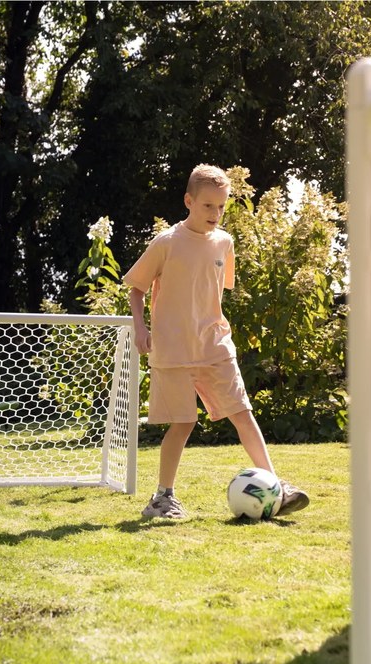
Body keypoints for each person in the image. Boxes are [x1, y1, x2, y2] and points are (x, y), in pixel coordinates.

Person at [123, 164, 310, 520]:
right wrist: (140, 327)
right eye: (208, 205)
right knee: (184, 423)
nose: (215, 213)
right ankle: (162, 498)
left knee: (243, 414)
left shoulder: (225, 242)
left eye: (221, 206)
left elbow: (213, 291)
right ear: (188, 201)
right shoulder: (166, 243)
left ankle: (277, 487)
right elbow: (136, 289)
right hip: (174, 350)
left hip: (215, 346)